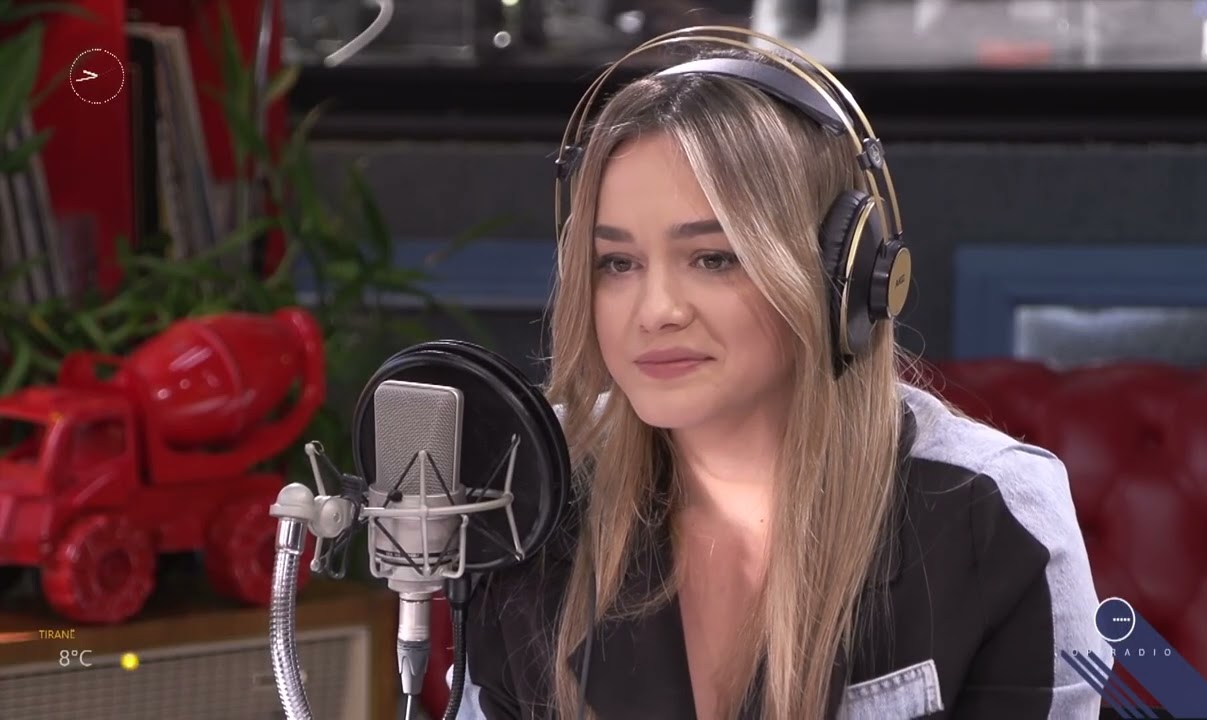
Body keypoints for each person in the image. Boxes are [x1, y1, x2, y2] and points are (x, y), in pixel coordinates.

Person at [449, 30, 1106, 720]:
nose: (656, 311)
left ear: (844, 275)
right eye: (618, 263)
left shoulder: (991, 515)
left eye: (714, 258)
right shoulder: (534, 494)